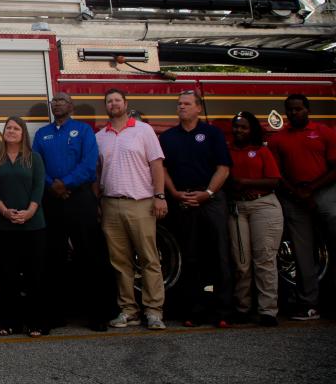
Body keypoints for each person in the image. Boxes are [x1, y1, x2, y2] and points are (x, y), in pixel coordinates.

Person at [32, 92, 113, 332]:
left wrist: (65, 183)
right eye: (54, 101)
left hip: (80, 198)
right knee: (53, 257)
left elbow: (89, 165)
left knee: (89, 255)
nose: (57, 103)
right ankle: (55, 315)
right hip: (52, 201)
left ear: (71, 106)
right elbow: (37, 165)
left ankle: (97, 315)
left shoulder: (84, 131)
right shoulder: (42, 134)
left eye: (62, 100)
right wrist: (52, 186)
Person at [95, 88, 168, 331]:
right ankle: (128, 310)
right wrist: (98, 203)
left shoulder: (143, 130)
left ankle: (154, 311)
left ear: (126, 104)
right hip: (110, 205)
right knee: (120, 262)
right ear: (105, 106)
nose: (113, 104)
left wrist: (160, 196)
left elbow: (156, 165)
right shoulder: (100, 136)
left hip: (141, 204)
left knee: (149, 259)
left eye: (117, 100)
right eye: (109, 101)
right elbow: (97, 174)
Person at [160, 90, 234, 328]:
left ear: (198, 108)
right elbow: (162, 169)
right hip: (182, 199)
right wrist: (174, 193)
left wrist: (208, 193)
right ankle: (193, 309)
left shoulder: (212, 134)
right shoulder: (169, 137)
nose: (181, 107)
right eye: (179, 104)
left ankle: (221, 311)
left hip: (210, 200)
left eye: (187, 104)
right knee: (188, 258)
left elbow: (223, 168)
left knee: (218, 256)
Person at [268, 93, 336, 321]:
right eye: (290, 110)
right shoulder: (279, 139)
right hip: (294, 198)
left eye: (298, 109)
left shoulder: (325, 132)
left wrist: (312, 189)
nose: (294, 113)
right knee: (302, 254)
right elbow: (276, 173)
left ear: (308, 110)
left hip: (325, 193)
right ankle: (309, 305)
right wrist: (296, 192)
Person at [0, 116, 47, 337]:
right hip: (4, 227)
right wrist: (3, 211)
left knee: (34, 275)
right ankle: (9, 322)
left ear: (23, 134)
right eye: (8, 128)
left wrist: (30, 212)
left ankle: (35, 323)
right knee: (7, 276)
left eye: (16, 128)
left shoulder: (34, 158)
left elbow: (39, 187)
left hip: (33, 226)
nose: (11, 131)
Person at [226, 111, 284, 326]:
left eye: (243, 127)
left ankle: (268, 310)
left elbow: (274, 181)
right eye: (236, 126)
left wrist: (247, 183)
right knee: (241, 261)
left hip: (264, 206)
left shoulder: (261, 150)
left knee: (265, 259)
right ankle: (242, 307)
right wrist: (238, 189)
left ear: (252, 130)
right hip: (237, 208)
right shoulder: (227, 151)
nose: (238, 130)